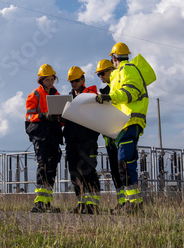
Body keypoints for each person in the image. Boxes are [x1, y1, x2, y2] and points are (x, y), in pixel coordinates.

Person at [95, 42, 153, 213]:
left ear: (113, 58)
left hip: (129, 122)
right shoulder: (121, 73)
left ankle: (133, 204)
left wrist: (109, 98)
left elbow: (130, 93)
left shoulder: (127, 70)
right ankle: (134, 202)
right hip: (124, 124)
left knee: (125, 164)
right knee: (126, 164)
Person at [25, 64, 63, 213]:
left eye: (52, 79)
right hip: (41, 135)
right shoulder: (34, 95)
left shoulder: (57, 95)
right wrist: (42, 115)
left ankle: (47, 202)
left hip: (53, 134)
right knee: (43, 166)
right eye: (47, 80)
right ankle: (40, 202)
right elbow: (28, 116)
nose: (50, 82)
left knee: (52, 167)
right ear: (41, 80)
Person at [63, 66, 101, 214]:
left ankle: (93, 205)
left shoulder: (91, 94)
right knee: (75, 172)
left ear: (83, 79)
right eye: (71, 81)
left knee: (88, 170)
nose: (74, 83)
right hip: (72, 140)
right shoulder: (67, 98)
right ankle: (81, 202)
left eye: (77, 80)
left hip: (88, 139)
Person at [95, 59, 125, 211]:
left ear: (111, 70)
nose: (100, 76)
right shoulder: (103, 93)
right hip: (109, 138)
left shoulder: (117, 89)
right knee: (114, 171)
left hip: (121, 136)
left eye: (102, 73)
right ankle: (122, 202)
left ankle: (129, 202)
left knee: (123, 169)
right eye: (98, 74)